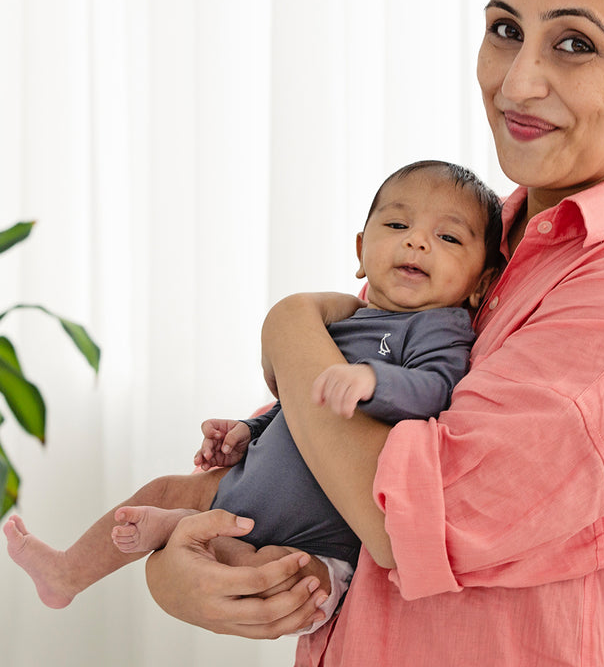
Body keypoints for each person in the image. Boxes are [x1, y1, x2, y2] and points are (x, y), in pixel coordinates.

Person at [144, 0, 604, 665]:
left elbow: (411, 513)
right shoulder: (496, 241)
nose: (516, 82)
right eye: (505, 30)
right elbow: (311, 449)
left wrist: (286, 325)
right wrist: (184, 559)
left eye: (574, 44)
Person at [3, 159, 502, 632]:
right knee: (162, 488)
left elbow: (438, 387)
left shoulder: (439, 327)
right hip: (243, 488)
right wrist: (249, 430)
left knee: (277, 577)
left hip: (318, 535)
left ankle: (180, 528)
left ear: (480, 285)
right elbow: (296, 405)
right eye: (397, 226)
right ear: (359, 251)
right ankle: (66, 573)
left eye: (448, 236)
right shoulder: (342, 319)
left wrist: (374, 381)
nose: (416, 242)